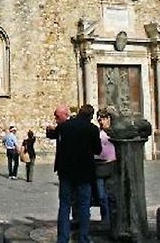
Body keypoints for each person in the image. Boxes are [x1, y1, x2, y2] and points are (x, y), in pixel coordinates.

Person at [55, 104, 102, 243]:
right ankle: (83, 238)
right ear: (91, 116)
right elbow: (97, 150)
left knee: (64, 206)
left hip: (66, 172)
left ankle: (62, 239)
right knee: (84, 206)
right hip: (84, 173)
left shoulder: (65, 126)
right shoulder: (92, 129)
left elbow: (55, 138)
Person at [94, 108, 116, 225]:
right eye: (99, 119)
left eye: (103, 119)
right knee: (102, 196)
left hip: (112, 165)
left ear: (108, 119)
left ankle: (114, 219)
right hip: (99, 167)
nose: (101, 122)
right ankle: (105, 219)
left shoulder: (114, 132)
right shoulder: (97, 132)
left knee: (112, 195)